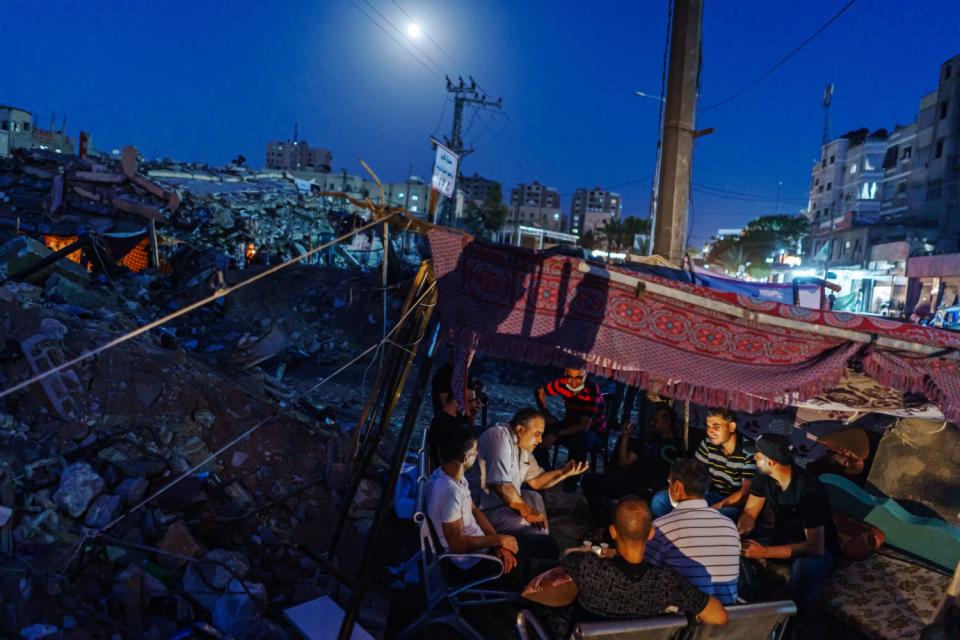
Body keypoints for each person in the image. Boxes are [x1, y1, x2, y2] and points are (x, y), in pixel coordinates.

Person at [563, 496, 728, 624]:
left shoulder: (588, 567)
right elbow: (719, 616)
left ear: (613, 532)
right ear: (651, 534)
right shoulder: (666, 581)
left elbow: (566, 558)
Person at [469, 408, 588, 559]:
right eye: (537, 433)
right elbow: (501, 487)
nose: (540, 440)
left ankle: (540, 539)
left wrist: (564, 473)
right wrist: (527, 511)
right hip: (482, 510)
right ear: (520, 429)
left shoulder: (522, 446)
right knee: (535, 528)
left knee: (534, 497)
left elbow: (537, 481)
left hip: (501, 502)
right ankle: (528, 554)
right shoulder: (499, 436)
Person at [737, 433, 838, 604]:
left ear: (771, 462)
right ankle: (751, 594)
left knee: (803, 569)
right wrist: (738, 533)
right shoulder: (763, 477)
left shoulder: (809, 491)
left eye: (757, 455)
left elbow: (815, 547)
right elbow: (750, 511)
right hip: (781, 535)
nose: (754, 458)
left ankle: (791, 617)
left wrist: (763, 552)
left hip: (818, 550)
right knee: (733, 539)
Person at [426, 424, 524, 588]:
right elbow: (458, 546)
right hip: (472, 564)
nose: (477, 454)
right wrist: (497, 540)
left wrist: (498, 545)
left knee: (540, 545)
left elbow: (474, 510)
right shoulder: (449, 492)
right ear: (465, 458)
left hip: (484, 549)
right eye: (474, 451)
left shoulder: (453, 476)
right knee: (535, 565)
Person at [646, 459, 741, 605]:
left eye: (669, 482)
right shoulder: (730, 526)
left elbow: (644, 573)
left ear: (677, 486)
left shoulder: (661, 527)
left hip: (684, 621)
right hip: (728, 618)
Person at [582, 406, 680, 527]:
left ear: (667, 423)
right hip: (631, 485)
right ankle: (606, 525)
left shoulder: (678, 446)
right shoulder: (648, 442)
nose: (651, 423)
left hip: (652, 491)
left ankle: (610, 527)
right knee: (589, 481)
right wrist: (625, 435)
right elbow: (623, 461)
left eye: (656, 421)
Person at [651, 408, 756, 520]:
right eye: (708, 426)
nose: (710, 431)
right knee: (660, 500)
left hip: (731, 504)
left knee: (718, 517)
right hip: (707, 495)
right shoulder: (707, 443)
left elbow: (744, 494)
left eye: (716, 427)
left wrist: (712, 509)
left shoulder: (749, 451)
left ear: (731, 427)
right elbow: (694, 474)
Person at [533, 368, 606, 484]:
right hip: (570, 423)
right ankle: (542, 472)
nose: (573, 382)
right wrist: (546, 414)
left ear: (586, 376)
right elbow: (539, 391)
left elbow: (583, 426)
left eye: (578, 378)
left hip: (593, 432)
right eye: (569, 377)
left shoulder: (592, 392)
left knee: (579, 440)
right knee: (539, 432)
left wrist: (556, 434)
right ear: (565, 375)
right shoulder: (562, 384)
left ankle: (572, 481)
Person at [427, 382, 480, 468]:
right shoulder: (443, 423)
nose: (474, 404)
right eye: (470, 401)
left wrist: (472, 415)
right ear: (457, 400)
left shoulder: (459, 417)